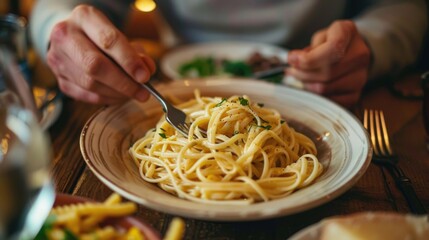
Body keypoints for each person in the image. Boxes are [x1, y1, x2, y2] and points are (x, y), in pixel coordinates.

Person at [29, 0, 427, 108]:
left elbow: (404, 5)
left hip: (330, 89)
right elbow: (62, 6)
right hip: (175, 88)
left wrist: (372, 44)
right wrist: (60, 29)